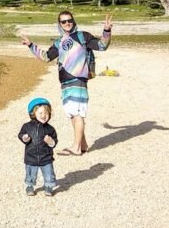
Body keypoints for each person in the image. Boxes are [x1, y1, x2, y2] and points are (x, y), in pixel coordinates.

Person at [20, 11, 112, 155]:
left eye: (69, 20)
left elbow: (102, 45)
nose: (67, 23)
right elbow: (46, 57)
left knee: (78, 113)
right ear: (60, 24)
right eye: (63, 21)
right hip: (65, 82)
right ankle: (83, 145)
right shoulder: (59, 42)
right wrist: (31, 45)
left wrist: (106, 30)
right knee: (72, 113)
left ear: (73, 21)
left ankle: (75, 148)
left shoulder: (83, 36)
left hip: (78, 80)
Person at [19, 97, 58, 196]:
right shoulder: (27, 126)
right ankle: (29, 186)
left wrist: (51, 142)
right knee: (30, 174)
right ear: (33, 114)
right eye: (40, 113)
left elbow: (55, 141)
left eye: (46, 113)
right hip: (31, 156)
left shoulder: (50, 129)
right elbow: (21, 134)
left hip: (46, 157)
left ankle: (48, 187)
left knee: (49, 173)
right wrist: (24, 138)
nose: (44, 115)